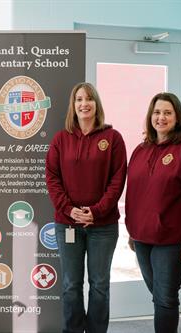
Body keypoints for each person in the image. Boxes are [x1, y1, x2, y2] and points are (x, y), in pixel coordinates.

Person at [125, 92, 181, 333]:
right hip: (143, 238)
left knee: (165, 296)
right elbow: (134, 194)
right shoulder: (140, 151)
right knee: (159, 294)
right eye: (156, 112)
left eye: (167, 112)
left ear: (177, 117)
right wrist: (132, 231)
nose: (161, 118)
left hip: (174, 238)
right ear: (150, 117)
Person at [46, 82, 127, 333]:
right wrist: (69, 210)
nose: (84, 103)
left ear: (96, 104)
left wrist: (97, 211)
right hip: (67, 224)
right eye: (79, 99)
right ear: (73, 105)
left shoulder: (112, 138)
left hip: (102, 226)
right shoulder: (61, 139)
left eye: (89, 98)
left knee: (100, 284)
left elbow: (118, 178)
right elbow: (52, 177)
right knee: (71, 284)